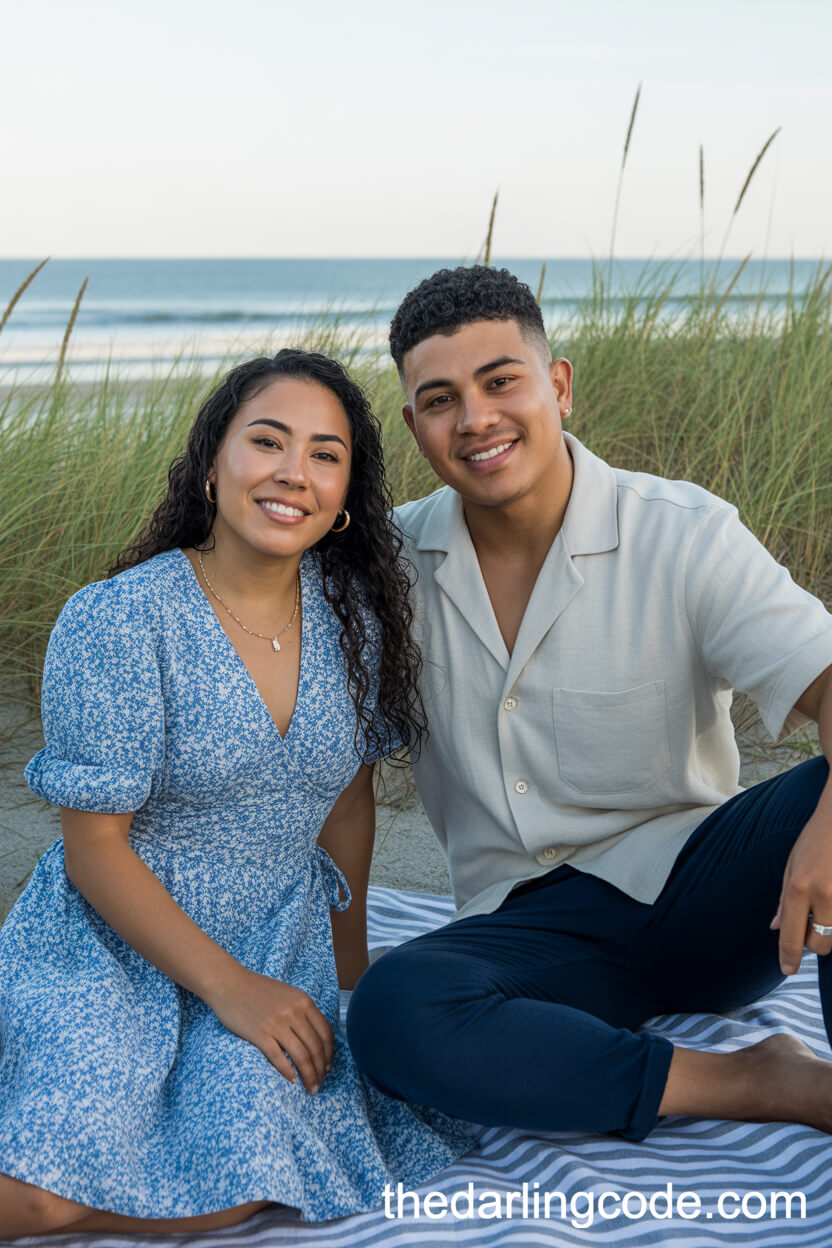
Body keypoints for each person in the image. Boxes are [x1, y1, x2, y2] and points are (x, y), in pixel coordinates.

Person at [347, 264, 832, 1141]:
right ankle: (757, 1082)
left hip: (702, 898)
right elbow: (328, 770)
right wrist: (341, 969)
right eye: (442, 399)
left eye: (501, 383)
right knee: (392, 1010)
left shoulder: (684, 532)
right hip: (524, 932)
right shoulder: (386, 571)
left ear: (558, 385)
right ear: (415, 425)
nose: (477, 419)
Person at [0, 349, 473, 1239]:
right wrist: (230, 990)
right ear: (213, 459)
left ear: (344, 495)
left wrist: (348, 969)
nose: (295, 472)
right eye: (268, 441)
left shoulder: (355, 617)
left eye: (326, 455)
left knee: (250, 1173)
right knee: (45, 1173)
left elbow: (343, 806)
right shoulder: (118, 620)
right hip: (111, 940)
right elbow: (93, 848)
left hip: (276, 934)